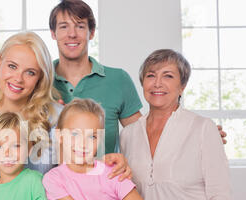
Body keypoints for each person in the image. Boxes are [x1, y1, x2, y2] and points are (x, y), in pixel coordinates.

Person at [0, 31, 131, 200]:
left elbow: (77, 166)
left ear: (40, 78)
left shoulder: (57, 116)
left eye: (30, 72)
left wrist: (107, 161)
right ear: (0, 63)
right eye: (12, 66)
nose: (18, 78)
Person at [48, 0, 227, 154]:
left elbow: (144, 134)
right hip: (48, 188)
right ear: (53, 33)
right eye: (64, 27)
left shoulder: (117, 80)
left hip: (103, 188)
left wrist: (197, 137)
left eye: (80, 26)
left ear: (92, 33)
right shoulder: (41, 80)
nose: (72, 34)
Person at [120, 49, 233, 200]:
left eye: (168, 76)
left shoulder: (203, 127)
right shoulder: (128, 134)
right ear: (142, 83)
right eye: (151, 75)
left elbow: (220, 195)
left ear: (182, 86)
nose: (157, 83)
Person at [42, 98, 157, 200]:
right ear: (59, 136)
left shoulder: (113, 171)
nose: (83, 144)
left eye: (92, 137)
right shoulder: (54, 179)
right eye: (75, 134)